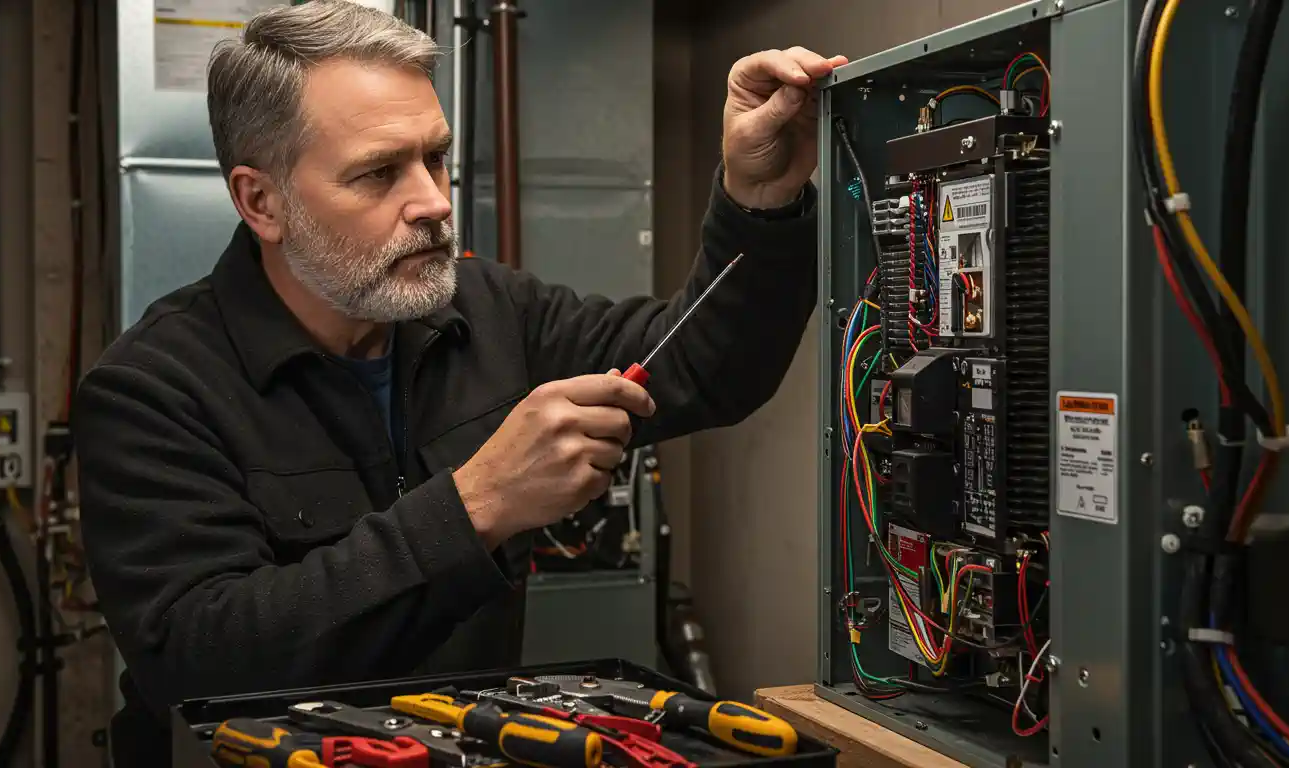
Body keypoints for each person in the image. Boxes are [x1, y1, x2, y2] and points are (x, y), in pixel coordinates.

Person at [72, 1, 845, 764]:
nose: (435, 203)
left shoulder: (487, 310)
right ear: (261, 201)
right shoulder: (151, 392)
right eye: (378, 174)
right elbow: (201, 660)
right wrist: (476, 505)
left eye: (434, 157)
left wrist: (762, 200)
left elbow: (700, 367)